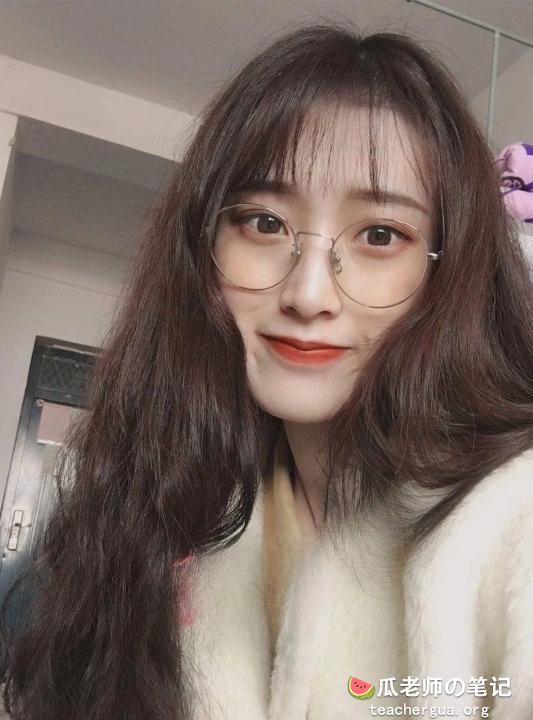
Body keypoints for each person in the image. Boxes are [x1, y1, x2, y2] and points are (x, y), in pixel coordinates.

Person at [1, 22, 533, 720]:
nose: (308, 295)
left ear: (449, 276)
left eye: (380, 235)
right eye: (264, 223)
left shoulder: (511, 520)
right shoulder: (145, 513)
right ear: (204, 248)